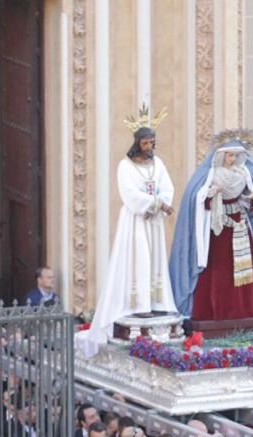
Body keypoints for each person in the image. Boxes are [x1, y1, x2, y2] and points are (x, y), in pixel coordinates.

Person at [82, 107, 176, 352]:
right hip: (136, 220)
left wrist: (162, 202)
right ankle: (138, 304)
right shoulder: (125, 166)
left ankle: (156, 301)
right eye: (145, 142)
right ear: (138, 142)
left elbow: (167, 187)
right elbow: (129, 194)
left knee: (156, 259)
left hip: (153, 221)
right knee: (140, 259)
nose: (149, 146)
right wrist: (154, 203)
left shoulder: (158, 163)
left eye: (152, 142)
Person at [170, 131, 253, 327]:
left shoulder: (244, 173)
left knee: (245, 269)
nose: (233, 159)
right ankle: (216, 312)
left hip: (240, 224)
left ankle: (246, 311)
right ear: (221, 155)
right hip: (219, 229)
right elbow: (195, 199)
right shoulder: (211, 174)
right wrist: (209, 194)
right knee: (219, 270)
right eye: (230, 155)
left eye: (236, 155)